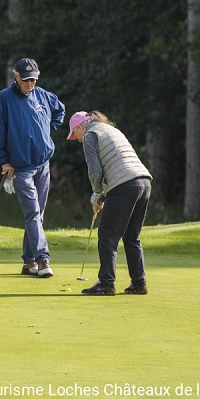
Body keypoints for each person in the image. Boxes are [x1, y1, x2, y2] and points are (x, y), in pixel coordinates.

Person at [0, 58, 65, 278]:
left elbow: (59, 109)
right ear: (16, 77)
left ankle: (29, 263)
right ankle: (43, 258)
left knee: (38, 215)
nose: (31, 83)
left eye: (34, 79)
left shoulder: (42, 95)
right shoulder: (4, 99)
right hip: (21, 168)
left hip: (43, 165)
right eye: (27, 79)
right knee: (32, 213)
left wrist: (48, 130)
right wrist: (4, 161)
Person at [67, 110, 152, 296]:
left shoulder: (90, 135)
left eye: (75, 134)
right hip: (144, 182)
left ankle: (106, 283)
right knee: (131, 237)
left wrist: (97, 194)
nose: (77, 139)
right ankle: (139, 283)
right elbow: (116, 166)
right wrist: (103, 196)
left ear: (80, 127)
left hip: (125, 184)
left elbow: (95, 172)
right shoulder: (110, 129)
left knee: (107, 235)